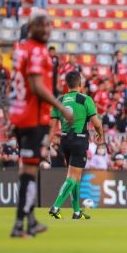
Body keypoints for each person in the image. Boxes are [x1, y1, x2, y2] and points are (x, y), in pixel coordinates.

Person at [9, 9, 73, 237]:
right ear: (31, 27)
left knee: (28, 170)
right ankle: (20, 223)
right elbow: (36, 87)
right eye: (41, 26)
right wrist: (61, 106)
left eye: (48, 25)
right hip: (33, 118)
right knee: (29, 170)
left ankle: (28, 222)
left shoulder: (21, 50)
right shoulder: (36, 52)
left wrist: (12, 117)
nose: (46, 30)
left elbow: (17, 85)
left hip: (22, 116)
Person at [48, 71, 104, 220]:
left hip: (64, 141)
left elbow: (51, 125)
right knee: (74, 176)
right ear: (81, 84)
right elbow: (96, 123)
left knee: (74, 177)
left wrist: (47, 143)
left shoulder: (59, 100)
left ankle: (77, 212)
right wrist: (101, 134)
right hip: (79, 140)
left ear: (66, 84)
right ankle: (55, 206)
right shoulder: (85, 99)